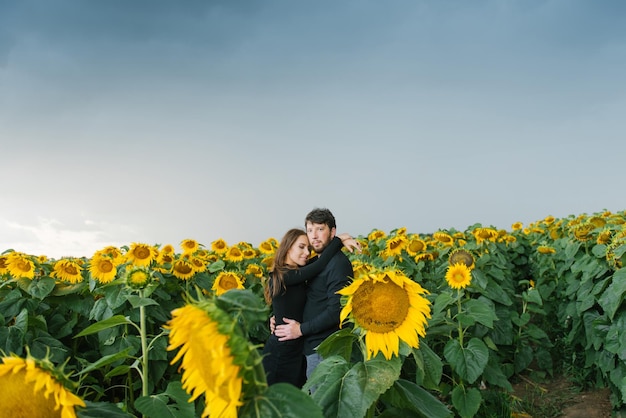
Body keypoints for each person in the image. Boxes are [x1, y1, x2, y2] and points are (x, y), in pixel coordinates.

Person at [262, 227, 357, 387]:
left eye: (309, 248)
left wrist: (275, 318)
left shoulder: (295, 273)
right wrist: (338, 241)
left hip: (296, 350)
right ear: (287, 247)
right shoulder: (284, 275)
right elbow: (319, 264)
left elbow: (316, 263)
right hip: (281, 354)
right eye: (301, 247)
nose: (307, 252)